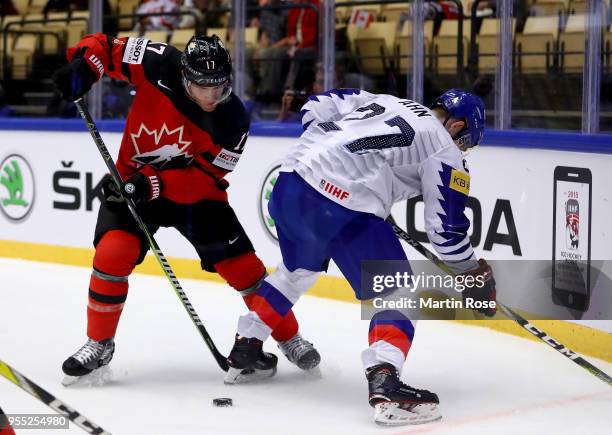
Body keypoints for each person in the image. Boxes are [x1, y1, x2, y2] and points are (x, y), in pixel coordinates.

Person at [52, 33, 320, 383]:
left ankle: (290, 337)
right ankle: (99, 343)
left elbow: (203, 179)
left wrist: (154, 183)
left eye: (219, 85)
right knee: (112, 252)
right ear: (184, 76)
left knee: (244, 268)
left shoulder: (233, 120)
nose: (212, 95)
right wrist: (86, 67)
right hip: (132, 184)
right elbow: (102, 45)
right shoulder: (157, 61)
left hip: (196, 194)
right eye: (202, 86)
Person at [224, 88, 497, 425]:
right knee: (397, 290)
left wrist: (328, 160)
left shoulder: (387, 100)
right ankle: (386, 384)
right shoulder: (444, 147)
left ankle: (246, 349)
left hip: (291, 180)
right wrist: (471, 270)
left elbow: (318, 104)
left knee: (296, 272)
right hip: (339, 203)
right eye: (466, 141)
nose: (463, 149)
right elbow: (446, 231)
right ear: (456, 126)